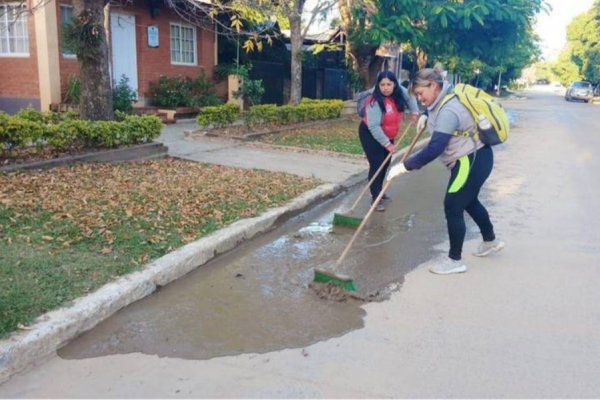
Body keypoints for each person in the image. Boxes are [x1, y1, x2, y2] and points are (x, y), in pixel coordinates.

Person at [387, 66, 504, 275]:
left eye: (421, 94)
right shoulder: (443, 99)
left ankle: (455, 260)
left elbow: (434, 148)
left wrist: (404, 167)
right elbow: (435, 113)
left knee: (453, 205)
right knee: (468, 201)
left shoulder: (448, 109)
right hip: (477, 158)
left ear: (433, 85)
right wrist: (425, 114)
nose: (420, 99)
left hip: (469, 160)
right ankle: (490, 241)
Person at [360, 70, 419, 212]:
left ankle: (379, 191)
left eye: (389, 84)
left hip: (388, 134)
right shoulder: (374, 101)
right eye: (382, 85)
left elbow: (410, 97)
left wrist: (414, 111)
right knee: (377, 165)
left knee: (385, 164)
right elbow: (373, 126)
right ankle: (375, 198)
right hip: (370, 134)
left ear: (394, 85)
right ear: (378, 86)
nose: (385, 88)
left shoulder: (399, 93)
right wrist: (387, 144)